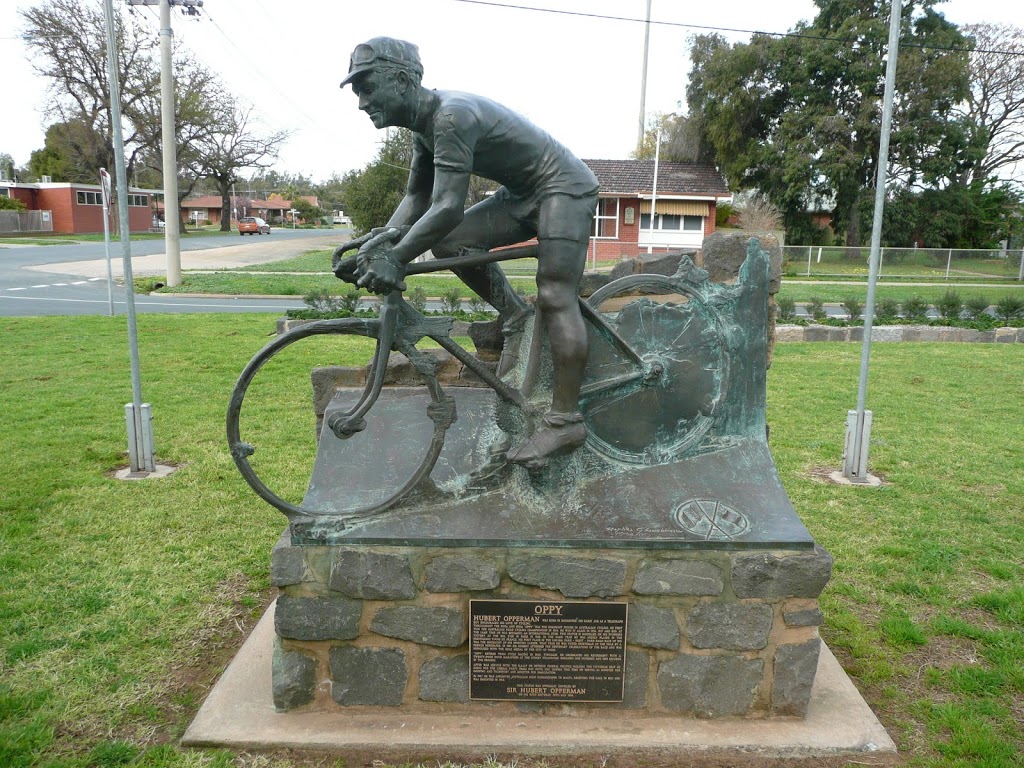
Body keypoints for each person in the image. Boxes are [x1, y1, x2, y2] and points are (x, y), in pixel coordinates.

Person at [336, 37, 599, 468]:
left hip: (563, 188)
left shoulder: (451, 117)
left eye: (366, 88)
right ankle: (515, 316)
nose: (362, 102)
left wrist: (397, 258)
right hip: (521, 194)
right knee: (451, 240)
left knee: (555, 295)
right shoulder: (424, 129)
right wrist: (378, 241)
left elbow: (447, 206)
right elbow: (417, 198)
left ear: (401, 80)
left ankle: (566, 421)